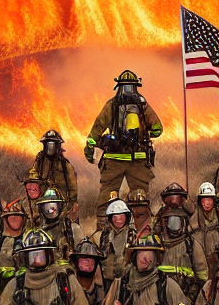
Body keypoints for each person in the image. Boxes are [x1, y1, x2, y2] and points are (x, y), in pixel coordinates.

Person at [85, 69, 162, 228]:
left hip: (114, 159)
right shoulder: (142, 105)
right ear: (136, 86)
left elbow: (96, 130)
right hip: (138, 160)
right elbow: (158, 129)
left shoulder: (111, 105)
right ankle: (143, 230)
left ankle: (103, 229)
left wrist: (90, 149)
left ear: (118, 86)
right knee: (140, 197)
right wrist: (145, 135)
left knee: (108, 194)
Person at [154, 198, 204, 299]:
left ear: (184, 223)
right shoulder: (159, 244)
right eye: (171, 222)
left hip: (187, 293)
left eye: (177, 222)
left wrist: (194, 294)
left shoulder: (190, 243)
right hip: (164, 294)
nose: (174, 226)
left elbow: (202, 271)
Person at [30, 130, 79, 219]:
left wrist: (69, 205)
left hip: (61, 202)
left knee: (71, 218)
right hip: (42, 200)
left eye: (53, 145)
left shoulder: (65, 165)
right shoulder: (40, 162)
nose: (50, 148)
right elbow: (33, 177)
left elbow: (73, 187)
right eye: (48, 144)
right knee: (32, 218)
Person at [95, 193, 134, 284]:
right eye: (115, 217)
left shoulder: (131, 234)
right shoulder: (105, 234)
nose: (118, 220)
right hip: (107, 279)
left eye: (121, 216)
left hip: (126, 280)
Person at [191, 182, 219, 280]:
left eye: (210, 199)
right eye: (204, 199)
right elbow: (199, 263)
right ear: (200, 201)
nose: (207, 203)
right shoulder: (195, 223)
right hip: (204, 277)